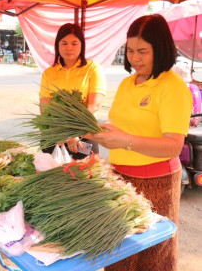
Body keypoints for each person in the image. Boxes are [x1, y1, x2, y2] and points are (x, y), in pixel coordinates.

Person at [90, 14, 193, 271]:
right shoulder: (128, 82)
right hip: (120, 179)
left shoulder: (173, 86)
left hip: (156, 182)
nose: (135, 58)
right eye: (130, 51)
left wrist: (125, 141)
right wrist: (97, 131)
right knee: (118, 253)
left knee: (152, 255)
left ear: (160, 49)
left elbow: (173, 145)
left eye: (143, 52)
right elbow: (123, 125)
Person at [39, 23, 107, 159]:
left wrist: (73, 133)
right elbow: (45, 108)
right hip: (55, 135)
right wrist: (63, 134)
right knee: (52, 175)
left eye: (74, 43)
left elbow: (93, 106)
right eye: (64, 43)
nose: (69, 48)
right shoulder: (49, 73)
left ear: (82, 45)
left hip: (84, 135)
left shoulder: (92, 69)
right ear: (57, 45)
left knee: (88, 175)